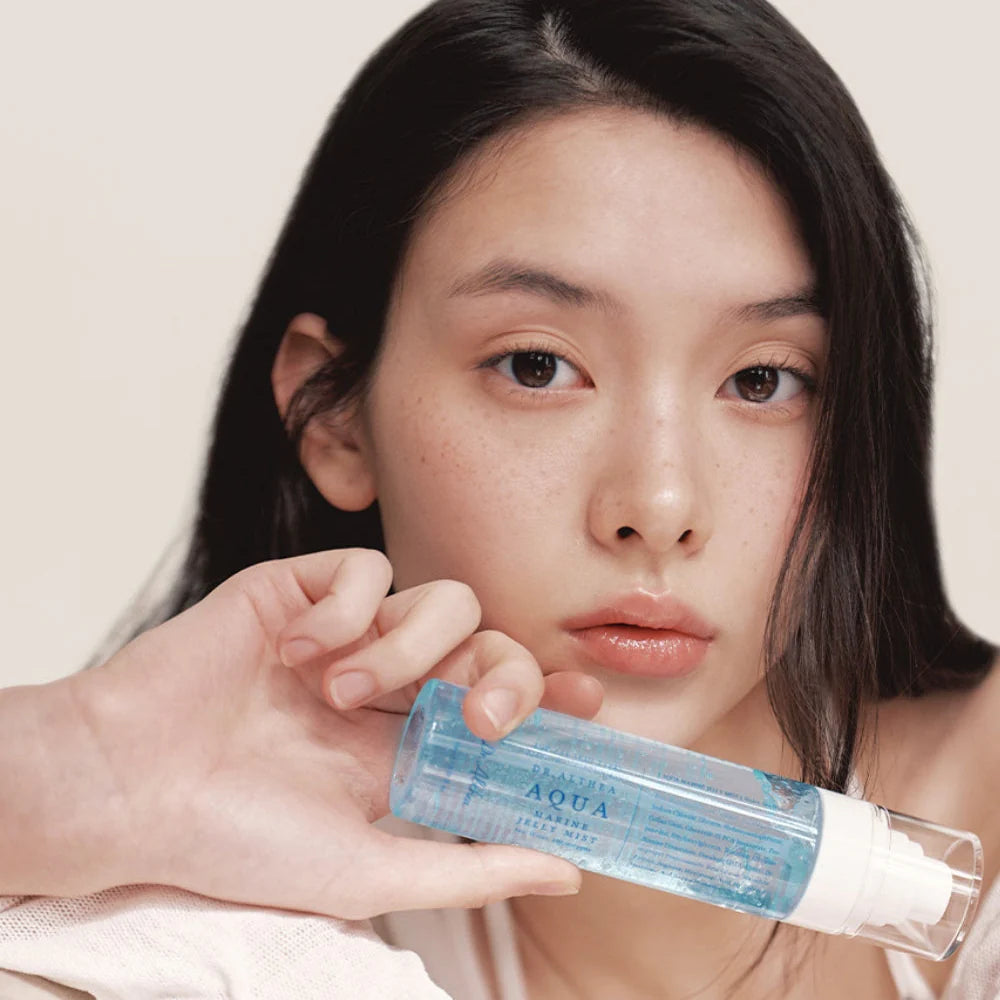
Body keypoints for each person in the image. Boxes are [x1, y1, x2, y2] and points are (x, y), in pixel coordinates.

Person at [0, 0, 997, 997]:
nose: (658, 505)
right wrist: (75, 767)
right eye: (535, 366)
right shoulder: (227, 910)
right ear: (336, 418)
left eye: (763, 380)